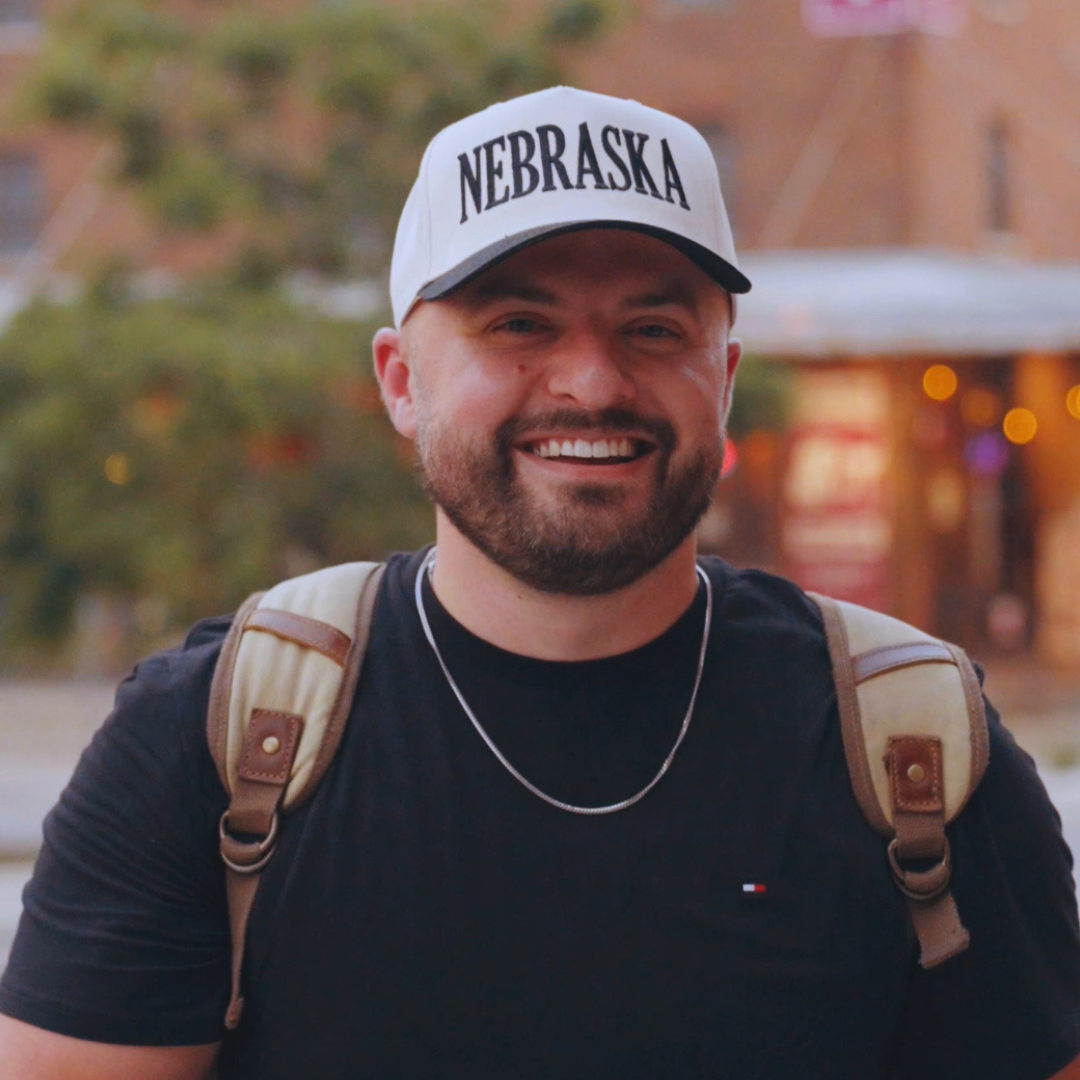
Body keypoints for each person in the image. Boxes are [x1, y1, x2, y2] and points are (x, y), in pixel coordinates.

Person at [1, 86, 1078, 1080]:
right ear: (400, 383)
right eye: (519, 325)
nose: (594, 381)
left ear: (726, 379)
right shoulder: (208, 746)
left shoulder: (917, 748)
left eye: (654, 329)